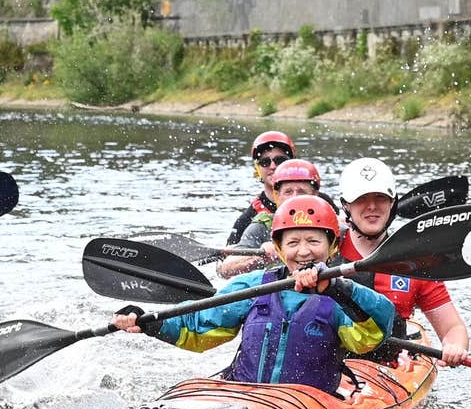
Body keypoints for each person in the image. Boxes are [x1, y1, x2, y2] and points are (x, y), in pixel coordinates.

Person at [112, 195, 395, 395]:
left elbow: (375, 331)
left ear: (331, 247)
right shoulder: (253, 286)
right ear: (280, 249)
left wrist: (336, 288)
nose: (304, 251)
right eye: (293, 242)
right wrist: (151, 322)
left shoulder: (343, 296)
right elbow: (200, 324)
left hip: (309, 408)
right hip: (247, 398)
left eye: (313, 241)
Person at [334, 158, 470, 367]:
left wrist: (454, 347)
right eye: (362, 198)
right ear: (346, 205)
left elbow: (453, 328)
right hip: (331, 362)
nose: (372, 206)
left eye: (380, 198)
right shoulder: (325, 248)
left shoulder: (414, 261)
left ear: (392, 203)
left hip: (389, 366)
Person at [218, 158, 326, 277]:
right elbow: (225, 270)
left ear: (315, 195)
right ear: (277, 196)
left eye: (301, 192)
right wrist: (259, 257)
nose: (294, 198)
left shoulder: (332, 224)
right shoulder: (262, 225)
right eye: (288, 192)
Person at [225, 131, 295, 245]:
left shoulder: (320, 202)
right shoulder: (246, 220)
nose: (273, 166)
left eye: (280, 160)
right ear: (257, 169)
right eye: (265, 162)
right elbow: (229, 260)